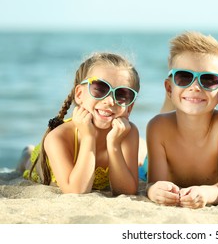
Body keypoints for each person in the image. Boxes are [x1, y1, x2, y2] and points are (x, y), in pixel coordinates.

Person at [22, 52, 141, 196]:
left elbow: (126, 191)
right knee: (27, 161)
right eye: (99, 89)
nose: (110, 101)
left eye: (122, 94)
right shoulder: (58, 137)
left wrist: (114, 145)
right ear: (79, 94)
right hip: (39, 163)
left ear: (129, 107)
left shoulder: (127, 133)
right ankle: (27, 153)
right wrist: (88, 138)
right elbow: (77, 191)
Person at [146, 31, 218, 209]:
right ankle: (174, 94)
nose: (195, 87)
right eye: (184, 77)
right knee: (163, 119)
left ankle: (177, 90)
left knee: (183, 99)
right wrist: (153, 190)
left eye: (209, 79)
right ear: (167, 87)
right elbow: (154, 183)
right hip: (150, 162)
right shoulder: (157, 127)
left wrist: (205, 192)